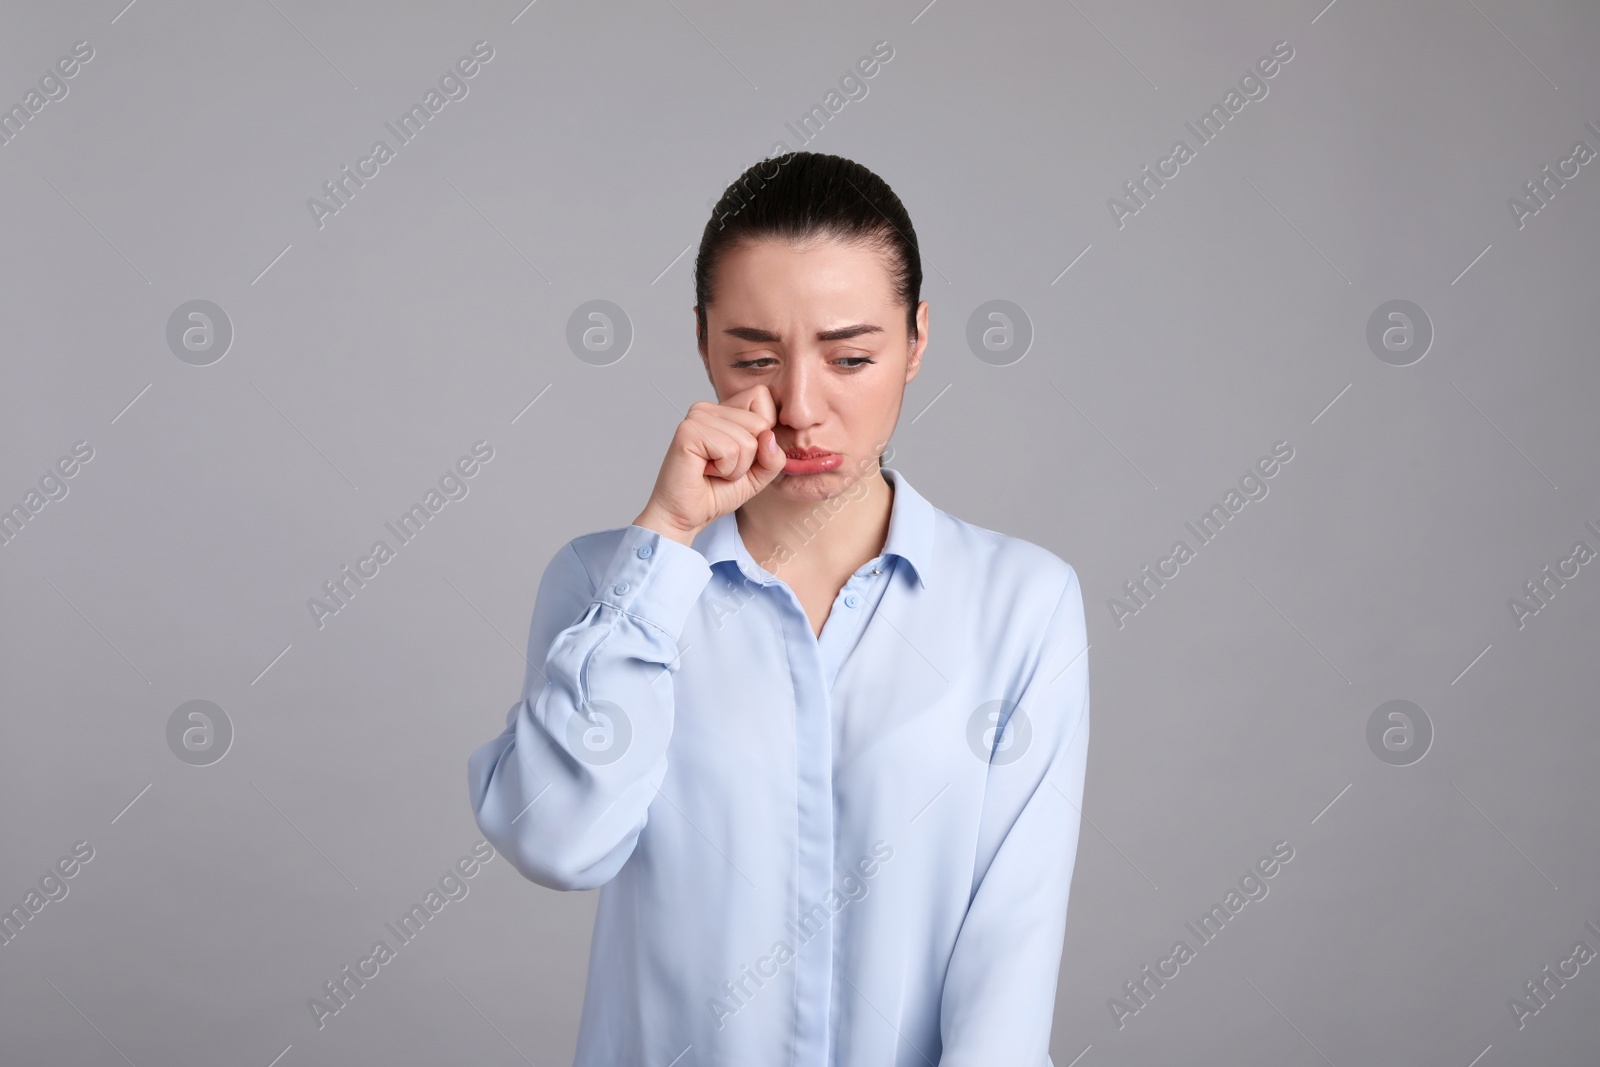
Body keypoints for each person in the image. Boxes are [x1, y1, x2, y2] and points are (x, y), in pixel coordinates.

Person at [467, 151, 1090, 1067]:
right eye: (754, 357)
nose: (800, 407)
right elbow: (559, 839)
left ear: (917, 340)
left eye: (851, 357)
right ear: (702, 341)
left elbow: (1009, 964)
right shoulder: (607, 585)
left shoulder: (1022, 605)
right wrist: (668, 532)